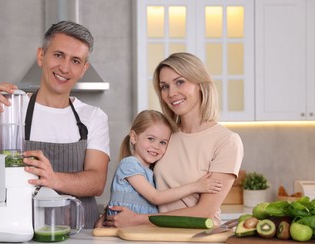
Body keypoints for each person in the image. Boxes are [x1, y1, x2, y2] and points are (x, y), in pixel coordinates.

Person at [0, 21, 110, 229]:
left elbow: (97, 181)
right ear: (41, 56)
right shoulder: (9, 110)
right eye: (58, 55)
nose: (64, 67)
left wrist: (53, 179)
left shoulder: (93, 117)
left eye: (75, 60)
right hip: (19, 236)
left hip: (81, 237)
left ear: (83, 69)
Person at [97, 52, 243, 228]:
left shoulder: (226, 141)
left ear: (200, 84)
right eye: (164, 86)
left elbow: (204, 212)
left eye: (180, 82)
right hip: (156, 238)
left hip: (197, 242)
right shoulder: (163, 138)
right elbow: (141, 188)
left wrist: (139, 219)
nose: (171, 93)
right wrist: (110, 214)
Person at [107, 110, 223, 215]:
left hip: (139, 230)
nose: (156, 146)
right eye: (151, 139)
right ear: (133, 137)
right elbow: (155, 197)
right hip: (124, 228)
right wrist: (196, 186)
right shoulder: (129, 164)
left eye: (163, 142)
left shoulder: (151, 172)